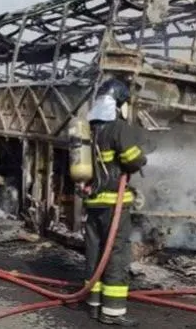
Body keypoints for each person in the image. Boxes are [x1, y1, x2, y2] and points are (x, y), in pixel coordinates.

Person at [83, 77, 147, 327]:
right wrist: (142, 159)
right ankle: (113, 312)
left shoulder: (92, 128)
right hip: (114, 205)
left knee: (95, 252)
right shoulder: (118, 127)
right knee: (116, 254)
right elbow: (132, 159)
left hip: (94, 202)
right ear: (118, 104)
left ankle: (93, 305)